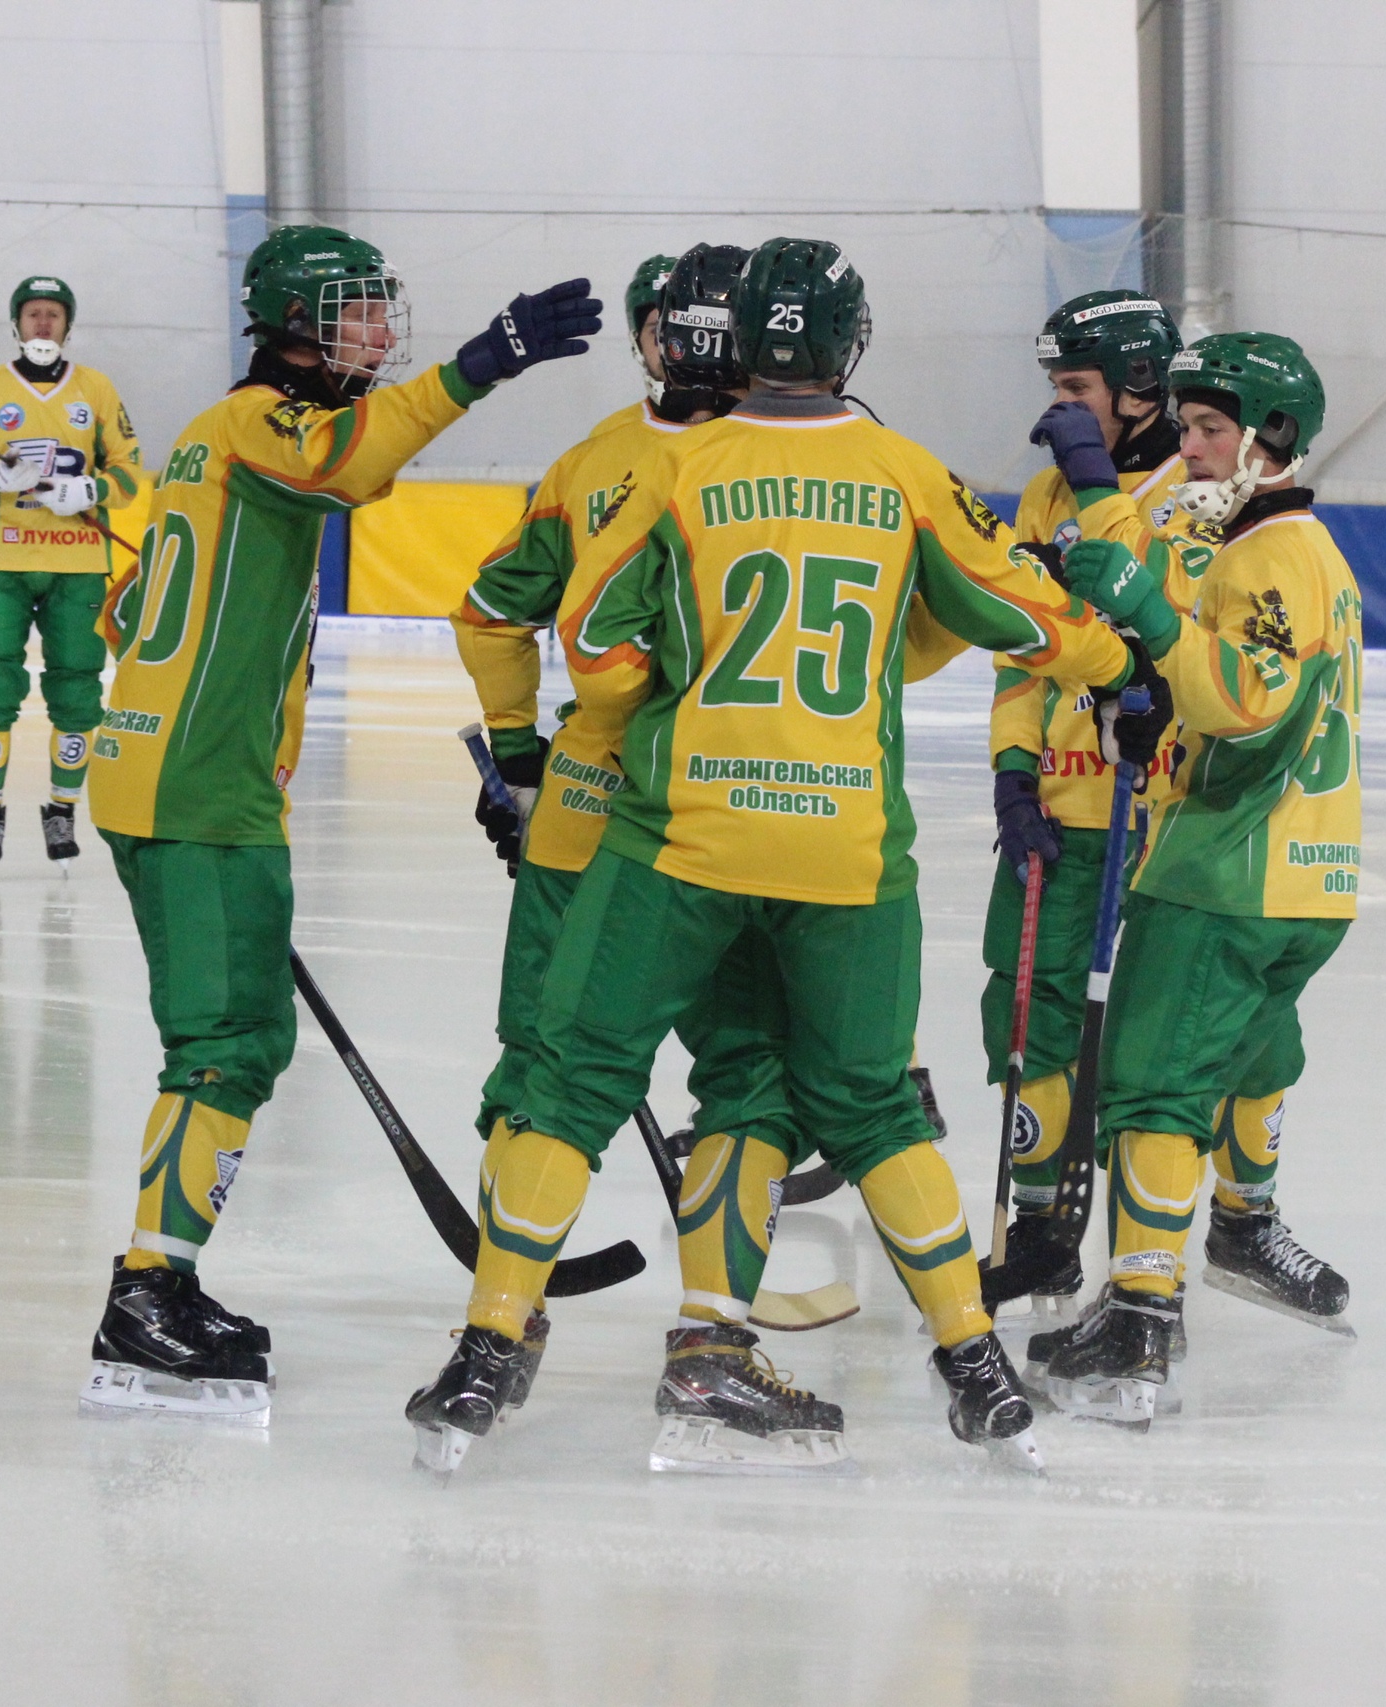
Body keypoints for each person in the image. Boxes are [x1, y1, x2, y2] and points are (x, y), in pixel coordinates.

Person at [405, 236, 1157, 1477]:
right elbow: (1023, 617)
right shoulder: (905, 472)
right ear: (853, 348)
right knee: (863, 1106)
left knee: (574, 1079)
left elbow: (590, 637)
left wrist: (654, 704)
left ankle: (487, 1351)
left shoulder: (673, 467)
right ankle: (972, 1366)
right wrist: (1124, 670)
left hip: (680, 837)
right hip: (846, 856)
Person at [75, 224, 603, 1421]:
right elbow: (352, 466)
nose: (378, 332)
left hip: (195, 782)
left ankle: (166, 1274)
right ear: (300, 327)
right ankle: (147, 1293)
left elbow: (124, 611)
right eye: (359, 313)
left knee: (239, 1043)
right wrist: (485, 360)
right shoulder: (256, 423)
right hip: (193, 791)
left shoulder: (221, 448)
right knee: (222, 1046)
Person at [454, 243, 926, 1469]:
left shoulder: (609, 464)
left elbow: (497, 610)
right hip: (716, 828)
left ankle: (504, 1320)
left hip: (598, 815)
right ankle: (703, 1341)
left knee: (557, 1068)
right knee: (747, 1076)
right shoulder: (802, 464)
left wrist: (520, 755)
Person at [1028, 331, 1361, 1426]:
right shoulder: (1308, 553)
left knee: (1156, 1088)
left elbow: (1244, 699)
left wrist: (1156, 616)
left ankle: (1136, 1321)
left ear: (1270, 440)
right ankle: (1230, 1235)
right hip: (1305, 882)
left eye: (1213, 429)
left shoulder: (1269, 557)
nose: (1194, 448)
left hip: (1225, 875)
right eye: (1188, 427)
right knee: (1248, 1057)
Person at [982, 291, 1202, 1317]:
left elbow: (1166, 624)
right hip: (1059, 814)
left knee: (1149, 1043)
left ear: (1137, 386)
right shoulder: (1042, 494)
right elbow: (1024, 636)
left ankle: (1146, 1257)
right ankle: (1038, 1227)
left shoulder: (1196, 492)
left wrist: (1092, 481)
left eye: (1075, 388)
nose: (1057, 409)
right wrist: (1011, 767)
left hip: (1155, 818)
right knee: (1025, 1015)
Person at [0, 276, 143, 863]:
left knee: (79, 690)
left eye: (54, 315)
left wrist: (90, 487)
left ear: (68, 324)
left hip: (77, 565)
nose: (43, 325)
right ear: (17, 323)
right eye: (33, 315)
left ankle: (61, 810)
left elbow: (130, 473)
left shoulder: (97, 389)